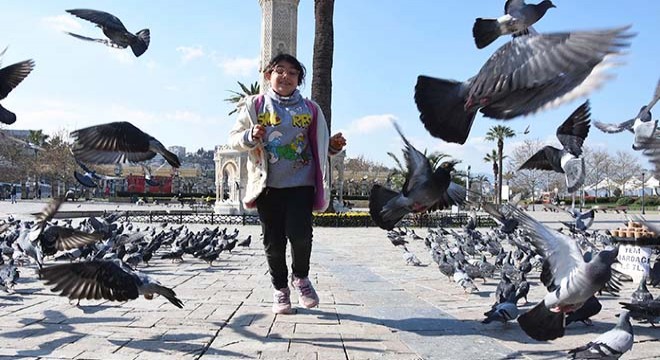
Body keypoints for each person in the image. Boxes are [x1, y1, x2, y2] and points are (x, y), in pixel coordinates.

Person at [228, 53, 346, 314]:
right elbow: (234, 139)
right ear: (268, 75)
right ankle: (280, 289)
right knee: (274, 241)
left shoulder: (311, 109)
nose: (285, 76)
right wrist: (250, 135)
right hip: (267, 186)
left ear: (299, 80)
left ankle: (301, 278)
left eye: (292, 73)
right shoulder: (255, 104)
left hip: (300, 184)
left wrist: (333, 147)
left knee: (301, 235)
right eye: (279, 70)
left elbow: (319, 145)